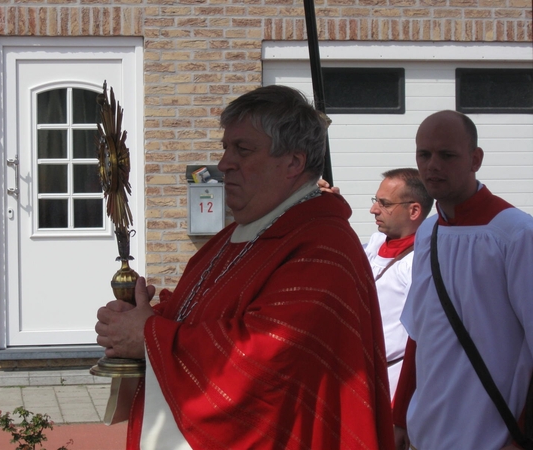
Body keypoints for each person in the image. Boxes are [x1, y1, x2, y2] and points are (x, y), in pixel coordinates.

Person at [95, 85, 395, 450]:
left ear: (293, 163)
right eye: (225, 148)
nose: (223, 164)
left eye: (243, 149)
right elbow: (209, 314)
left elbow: (266, 360)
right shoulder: (236, 236)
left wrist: (148, 336)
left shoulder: (323, 249)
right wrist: (144, 317)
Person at [393, 110, 533, 450]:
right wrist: (399, 418)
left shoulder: (515, 234)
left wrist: (523, 435)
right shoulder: (428, 232)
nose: (432, 166)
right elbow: (420, 333)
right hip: (428, 432)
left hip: (491, 435)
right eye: (424, 155)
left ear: (475, 159)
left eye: (447, 155)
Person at [363, 168, 432, 398]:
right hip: (364, 373)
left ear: (414, 210)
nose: (374, 209)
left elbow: (423, 337)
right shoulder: (376, 242)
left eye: (384, 203)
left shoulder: (420, 263)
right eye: (376, 200)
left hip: (394, 381)